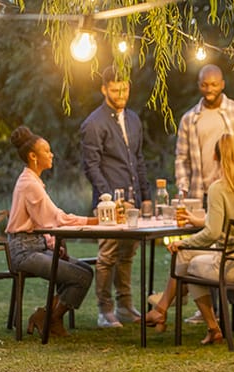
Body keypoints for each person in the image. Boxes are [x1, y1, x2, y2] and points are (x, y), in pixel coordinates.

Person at [169, 63, 234, 325]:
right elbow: (181, 156)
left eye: (213, 84)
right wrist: (183, 187)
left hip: (232, 190)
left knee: (225, 242)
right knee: (211, 245)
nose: (209, 89)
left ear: (222, 83)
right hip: (201, 192)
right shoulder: (190, 118)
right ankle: (208, 310)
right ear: (199, 85)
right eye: (204, 84)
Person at [145, 134, 234, 345]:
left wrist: (183, 242)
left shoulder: (218, 188)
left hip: (231, 264)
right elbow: (227, 221)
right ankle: (161, 310)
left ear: (215, 156)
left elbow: (212, 233)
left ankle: (208, 326)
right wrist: (197, 226)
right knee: (187, 259)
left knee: (187, 263)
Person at [6, 126, 99, 337]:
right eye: (46, 151)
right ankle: (51, 318)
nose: (51, 154)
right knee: (80, 278)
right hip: (24, 252)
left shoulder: (33, 181)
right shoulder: (29, 183)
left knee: (86, 270)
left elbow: (42, 221)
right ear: (33, 156)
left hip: (36, 246)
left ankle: (46, 316)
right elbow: (57, 219)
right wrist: (95, 220)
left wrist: (50, 243)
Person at [81, 66, 151, 328]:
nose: (120, 93)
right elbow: (91, 165)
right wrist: (107, 196)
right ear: (104, 89)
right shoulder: (93, 123)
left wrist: (146, 195)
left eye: (124, 89)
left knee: (127, 255)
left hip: (133, 199)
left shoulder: (133, 119)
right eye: (114, 89)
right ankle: (104, 310)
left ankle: (125, 306)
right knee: (108, 255)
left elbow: (138, 159)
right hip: (108, 204)